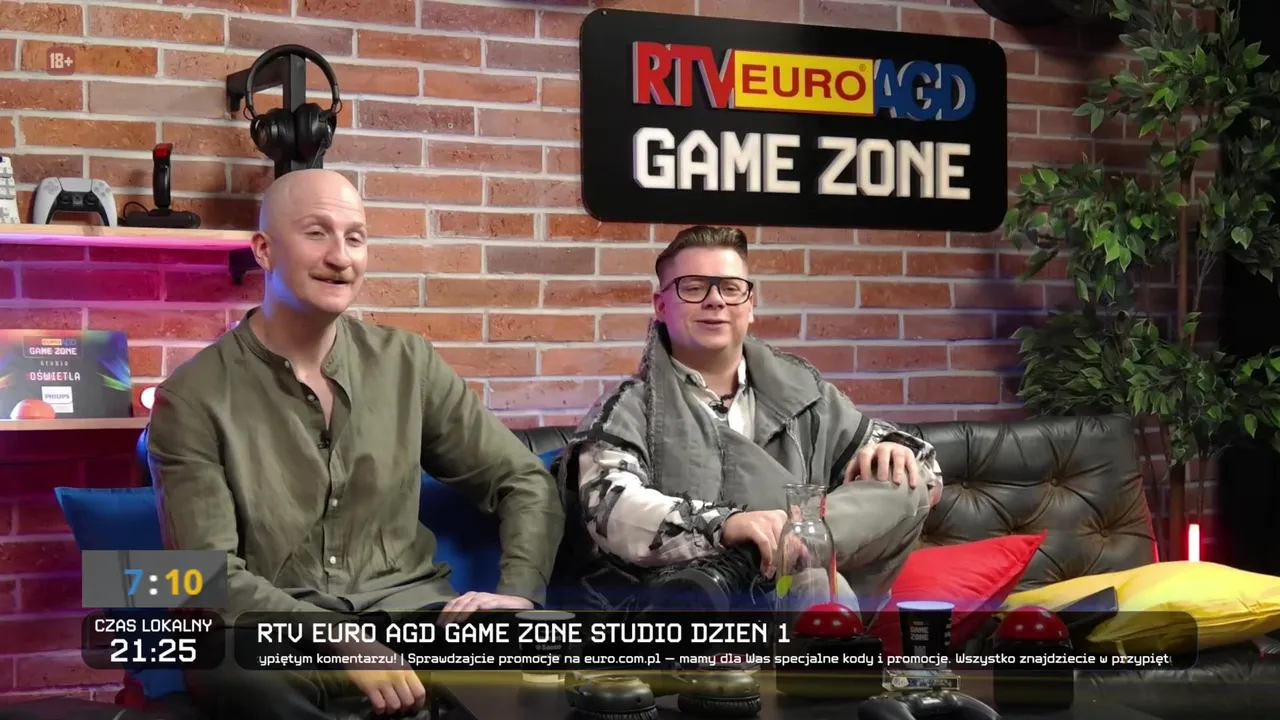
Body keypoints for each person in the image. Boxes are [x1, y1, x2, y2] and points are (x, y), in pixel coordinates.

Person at [147, 169, 564, 719]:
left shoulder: (407, 363)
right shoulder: (192, 396)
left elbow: (522, 480)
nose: (340, 257)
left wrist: (518, 593)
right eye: (316, 233)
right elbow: (206, 577)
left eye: (355, 237)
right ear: (264, 250)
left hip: (415, 614)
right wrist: (334, 636)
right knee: (231, 666)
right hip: (281, 632)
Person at [557, 226, 943, 618]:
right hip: (696, 610)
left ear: (750, 304)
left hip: (796, 588)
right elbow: (611, 508)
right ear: (660, 305)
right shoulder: (629, 407)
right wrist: (726, 526)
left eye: (730, 288)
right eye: (693, 287)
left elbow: (930, 473)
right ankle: (774, 557)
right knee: (815, 582)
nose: (715, 300)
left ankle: (785, 548)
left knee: (904, 481)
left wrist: (896, 451)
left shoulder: (807, 394)